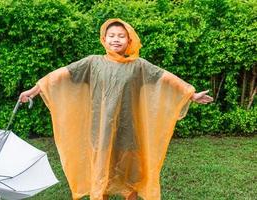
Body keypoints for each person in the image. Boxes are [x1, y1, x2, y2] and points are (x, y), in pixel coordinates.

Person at [19, 18, 213, 200]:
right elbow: (60, 75)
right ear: (104, 39)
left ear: (129, 40)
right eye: (112, 36)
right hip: (100, 130)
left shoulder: (138, 66)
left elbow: (165, 78)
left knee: (131, 174)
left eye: (121, 36)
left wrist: (191, 93)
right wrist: (34, 90)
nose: (116, 40)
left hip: (128, 130)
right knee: (102, 170)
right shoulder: (92, 62)